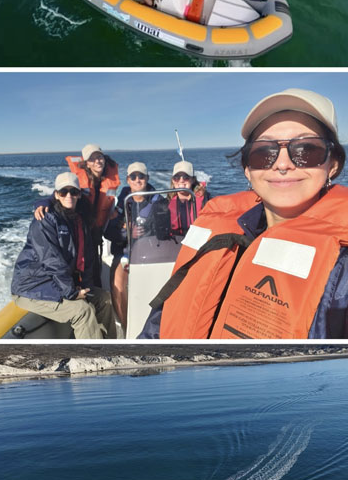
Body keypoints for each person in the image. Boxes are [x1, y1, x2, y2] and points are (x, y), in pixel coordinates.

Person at [139, 88, 348, 339]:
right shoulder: (218, 229)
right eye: (264, 152)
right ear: (247, 169)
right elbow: (159, 325)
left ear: (333, 163)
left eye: (306, 150)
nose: (282, 164)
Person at [11, 173, 117, 339]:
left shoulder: (79, 220)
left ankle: (109, 346)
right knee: (82, 311)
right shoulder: (45, 219)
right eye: (63, 192)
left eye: (73, 192)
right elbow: (51, 260)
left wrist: (86, 289)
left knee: (104, 298)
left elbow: (86, 259)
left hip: (56, 284)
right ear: (56, 195)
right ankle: (92, 357)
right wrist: (72, 293)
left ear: (79, 194)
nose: (69, 196)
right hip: (33, 287)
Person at [104, 162, 161, 328]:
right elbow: (109, 232)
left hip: (151, 254)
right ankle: (126, 326)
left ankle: (152, 326)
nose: (137, 180)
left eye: (141, 176)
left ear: (147, 178)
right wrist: (127, 234)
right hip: (125, 253)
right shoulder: (120, 203)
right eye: (133, 177)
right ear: (128, 180)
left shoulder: (159, 201)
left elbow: (164, 230)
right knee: (117, 286)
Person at [64, 144, 120, 286]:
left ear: (104, 159)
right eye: (92, 159)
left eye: (99, 157)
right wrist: (43, 203)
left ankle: (96, 293)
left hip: (96, 231)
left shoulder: (109, 179)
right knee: (79, 266)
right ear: (87, 163)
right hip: (78, 231)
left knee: (94, 267)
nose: (97, 161)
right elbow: (59, 195)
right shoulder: (77, 180)